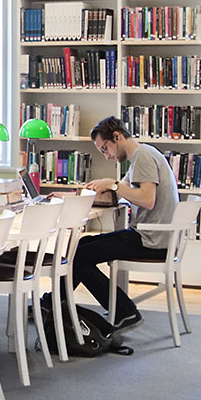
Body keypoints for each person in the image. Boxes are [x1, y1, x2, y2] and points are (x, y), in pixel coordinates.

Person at [72, 115, 180, 330]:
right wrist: (92, 191)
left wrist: (112, 185)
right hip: (154, 237)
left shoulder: (143, 157)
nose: (107, 157)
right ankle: (52, 303)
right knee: (81, 244)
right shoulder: (141, 156)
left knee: (79, 255)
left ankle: (125, 311)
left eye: (105, 149)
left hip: (152, 240)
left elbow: (147, 200)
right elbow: (123, 191)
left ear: (117, 137)